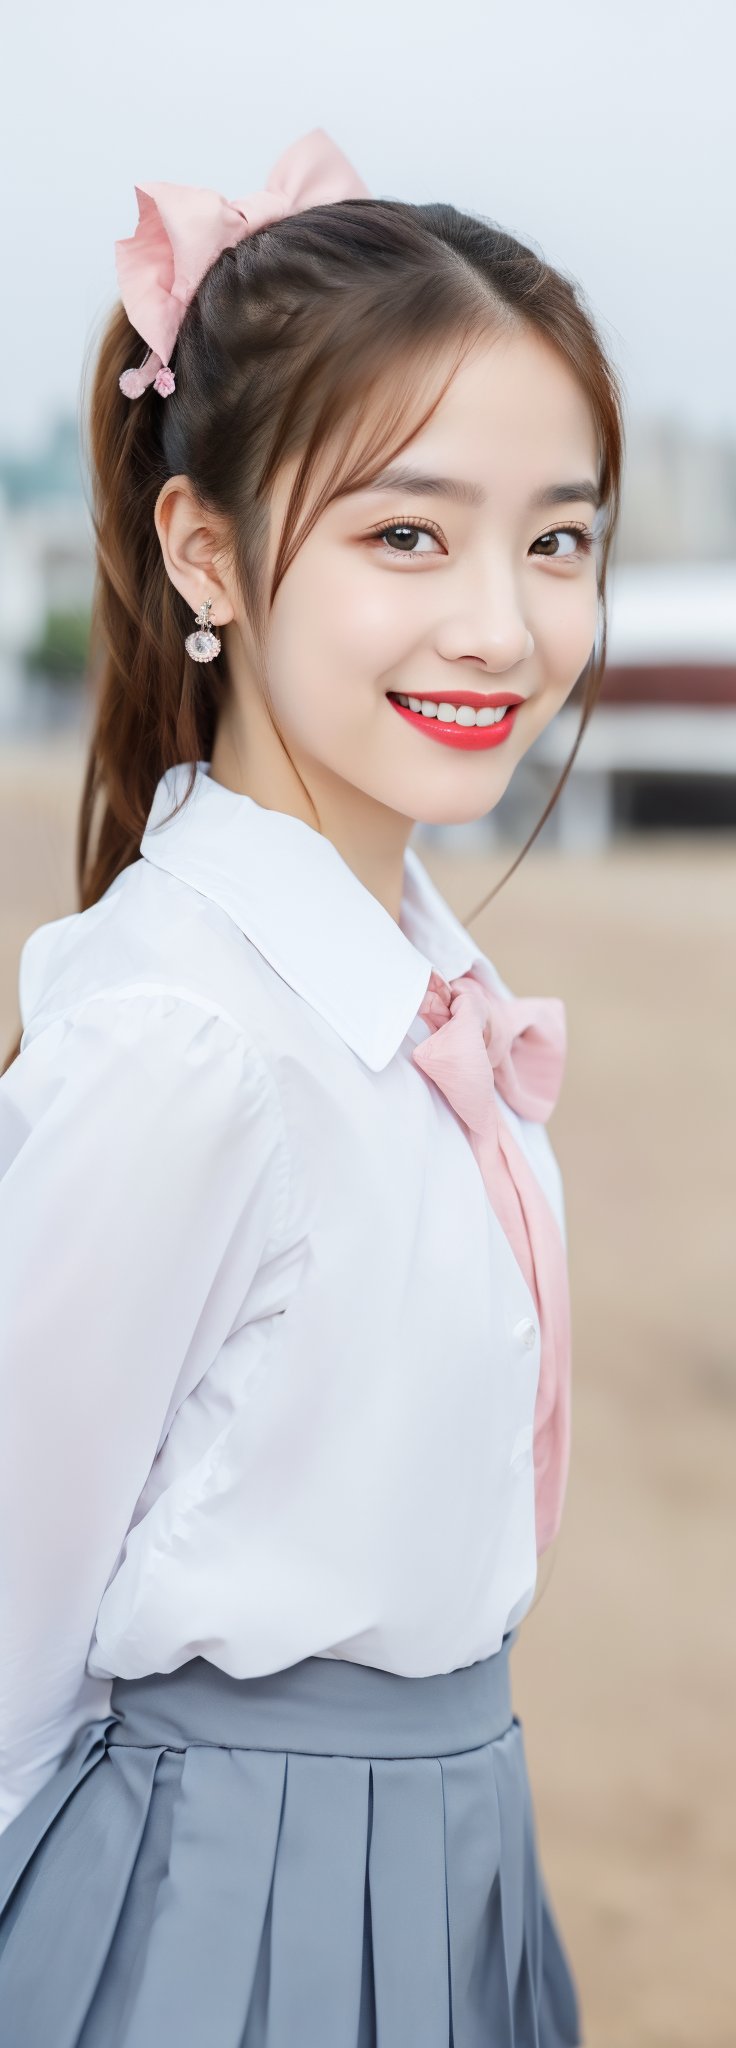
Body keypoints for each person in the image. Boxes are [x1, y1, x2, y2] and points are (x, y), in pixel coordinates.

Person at [0, 127, 624, 2045]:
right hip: (214, 1916)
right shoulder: (185, 1039)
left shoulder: (425, 979)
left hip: (458, 1859)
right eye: (406, 533)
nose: (501, 627)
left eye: (561, 536)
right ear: (209, 552)